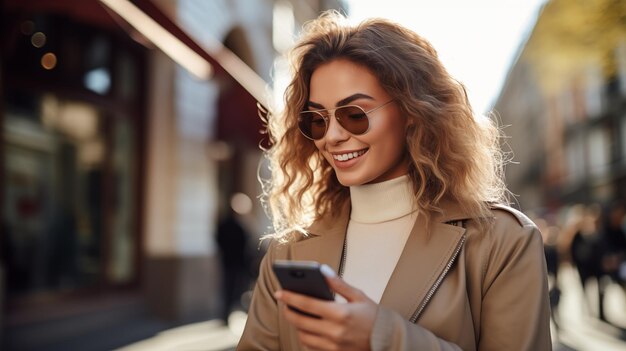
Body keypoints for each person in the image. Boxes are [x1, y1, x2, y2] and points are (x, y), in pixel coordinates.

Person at [238, 11, 551, 351]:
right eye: (317, 120)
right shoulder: (287, 254)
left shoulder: (502, 242)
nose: (333, 136)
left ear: (413, 112)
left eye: (354, 114)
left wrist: (383, 337)